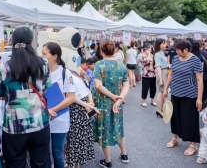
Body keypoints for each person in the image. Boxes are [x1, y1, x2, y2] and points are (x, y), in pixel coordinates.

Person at [0, 27, 52, 168]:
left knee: (15, 164)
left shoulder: (4, 67)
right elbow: (47, 88)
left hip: (14, 127)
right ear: (32, 43)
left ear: (12, 42)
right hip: (39, 123)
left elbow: (0, 94)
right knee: (41, 163)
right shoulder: (43, 64)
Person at [93, 39, 130, 168]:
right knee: (118, 126)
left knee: (104, 129)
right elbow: (126, 85)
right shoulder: (121, 65)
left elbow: (98, 86)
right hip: (117, 103)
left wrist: (112, 96)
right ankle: (124, 155)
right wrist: (119, 99)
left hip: (102, 102)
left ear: (101, 50)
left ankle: (108, 161)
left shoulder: (99, 64)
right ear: (114, 49)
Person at [163, 39, 203, 156]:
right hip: (175, 92)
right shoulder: (175, 58)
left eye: (178, 50)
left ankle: (193, 144)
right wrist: (166, 89)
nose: (176, 52)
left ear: (186, 49)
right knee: (174, 116)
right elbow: (171, 74)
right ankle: (174, 138)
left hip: (190, 94)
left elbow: (200, 80)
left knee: (190, 119)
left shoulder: (195, 60)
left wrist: (199, 98)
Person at [41, 42, 75, 168]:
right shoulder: (40, 73)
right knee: (43, 154)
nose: (42, 56)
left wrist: (52, 110)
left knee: (57, 154)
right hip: (43, 119)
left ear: (55, 56)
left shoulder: (65, 73)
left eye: (45, 54)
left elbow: (71, 98)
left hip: (59, 119)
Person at [65, 71, 96, 168]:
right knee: (78, 140)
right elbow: (87, 90)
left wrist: (88, 103)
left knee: (74, 141)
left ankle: (72, 163)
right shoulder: (75, 73)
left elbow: (71, 97)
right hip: (82, 108)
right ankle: (73, 163)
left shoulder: (68, 74)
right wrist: (89, 103)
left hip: (76, 109)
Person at [154, 38, 168, 118]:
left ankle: (161, 109)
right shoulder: (157, 54)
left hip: (165, 72)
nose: (165, 45)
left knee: (163, 91)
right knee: (161, 91)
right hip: (162, 72)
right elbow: (158, 67)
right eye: (163, 43)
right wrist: (161, 78)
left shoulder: (162, 52)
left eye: (165, 43)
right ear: (159, 44)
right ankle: (159, 110)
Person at [139, 43, 156, 108]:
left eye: (151, 49)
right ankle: (143, 101)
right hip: (146, 74)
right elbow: (146, 62)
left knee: (153, 88)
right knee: (145, 88)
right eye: (149, 49)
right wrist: (149, 55)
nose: (150, 50)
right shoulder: (142, 56)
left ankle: (152, 100)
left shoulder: (152, 55)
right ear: (145, 49)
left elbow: (154, 62)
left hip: (153, 73)